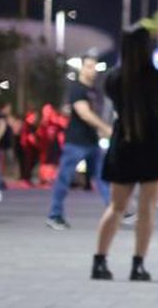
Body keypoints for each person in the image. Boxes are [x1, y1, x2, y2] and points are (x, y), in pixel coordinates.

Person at [94, 27, 158, 281]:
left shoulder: (113, 78)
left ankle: (99, 261)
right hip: (153, 144)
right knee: (147, 208)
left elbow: (114, 98)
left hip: (125, 141)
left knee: (116, 207)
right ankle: (137, 265)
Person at [47, 53, 112, 230]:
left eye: (94, 67)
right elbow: (83, 113)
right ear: (82, 68)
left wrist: (101, 132)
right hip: (75, 142)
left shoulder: (93, 91)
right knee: (65, 178)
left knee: (103, 177)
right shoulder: (77, 88)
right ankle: (54, 215)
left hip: (91, 142)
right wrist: (105, 128)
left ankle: (115, 210)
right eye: (88, 66)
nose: (92, 71)